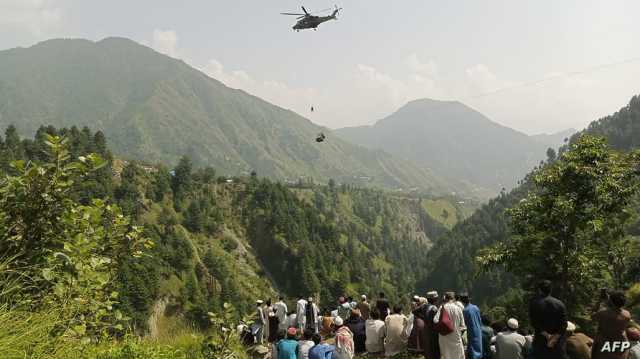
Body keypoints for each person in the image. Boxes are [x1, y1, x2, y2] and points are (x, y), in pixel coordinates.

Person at [529, 280, 568, 359]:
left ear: (540, 290)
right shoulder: (560, 304)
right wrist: (554, 338)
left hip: (540, 343)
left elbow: (534, 323)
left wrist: (547, 335)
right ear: (551, 290)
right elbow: (564, 325)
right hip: (557, 345)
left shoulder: (534, 303)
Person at [592, 290, 632, 359]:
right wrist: (610, 300)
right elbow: (618, 311)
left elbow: (592, 316)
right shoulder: (627, 314)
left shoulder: (603, 313)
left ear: (611, 301)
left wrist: (599, 300)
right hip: (620, 346)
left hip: (603, 348)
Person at [434, 291, 466, 359]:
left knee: (447, 356)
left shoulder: (442, 308)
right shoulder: (458, 309)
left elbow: (435, 320)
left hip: (444, 337)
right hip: (456, 337)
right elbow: (463, 325)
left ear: (445, 298)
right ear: (453, 298)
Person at [461, 292, 484, 359]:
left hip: (471, 332)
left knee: (472, 351)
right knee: (479, 348)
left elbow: (463, 324)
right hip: (479, 331)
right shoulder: (476, 307)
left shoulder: (465, 311)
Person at [424, 291, 441, 359]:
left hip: (427, 331)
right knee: (435, 351)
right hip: (434, 333)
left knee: (429, 350)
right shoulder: (434, 309)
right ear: (434, 299)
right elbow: (436, 322)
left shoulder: (425, 307)